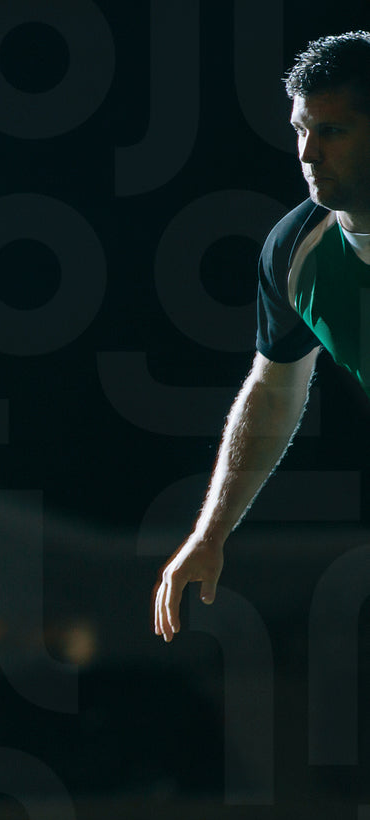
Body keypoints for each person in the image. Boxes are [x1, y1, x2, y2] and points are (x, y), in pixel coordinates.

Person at [154, 31, 370, 641]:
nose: (308, 153)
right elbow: (274, 391)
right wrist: (210, 531)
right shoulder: (293, 253)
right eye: (301, 130)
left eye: (332, 131)